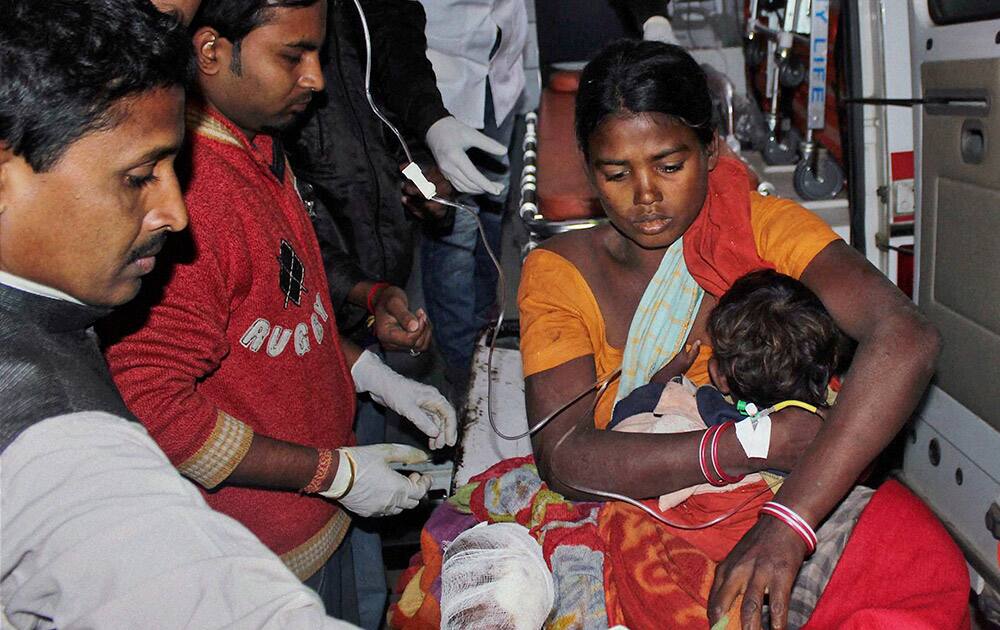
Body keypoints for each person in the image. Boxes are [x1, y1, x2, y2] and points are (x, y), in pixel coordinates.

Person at [518, 40, 959, 628]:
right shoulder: (560, 272)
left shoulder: (759, 229)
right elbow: (565, 457)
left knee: (926, 569)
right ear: (587, 165)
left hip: (782, 496)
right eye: (617, 173)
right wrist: (753, 444)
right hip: (642, 504)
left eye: (670, 166)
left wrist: (788, 523)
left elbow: (906, 337)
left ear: (711, 148)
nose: (646, 196)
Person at [0, 0, 358, 626]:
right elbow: (194, 595)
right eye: (141, 176)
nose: (176, 211)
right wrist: (329, 471)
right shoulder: (56, 432)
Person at [101, 0, 456, 623]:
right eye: (293, 56)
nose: (316, 78)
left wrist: (367, 372)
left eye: (318, 54)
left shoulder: (260, 143)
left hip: (324, 514)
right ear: (211, 52)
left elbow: (282, 315)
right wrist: (332, 474)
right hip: (263, 555)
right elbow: (157, 408)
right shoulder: (192, 196)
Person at [609, 269, 845, 511]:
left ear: (719, 377)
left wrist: (661, 382)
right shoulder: (843, 423)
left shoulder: (710, 413)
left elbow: (627, 423)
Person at [418, 0, 529, 388]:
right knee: (455, 237)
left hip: (497, 69)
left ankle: (488, 338)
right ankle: (466, 376)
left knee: (491, 218)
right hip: (439, 75)